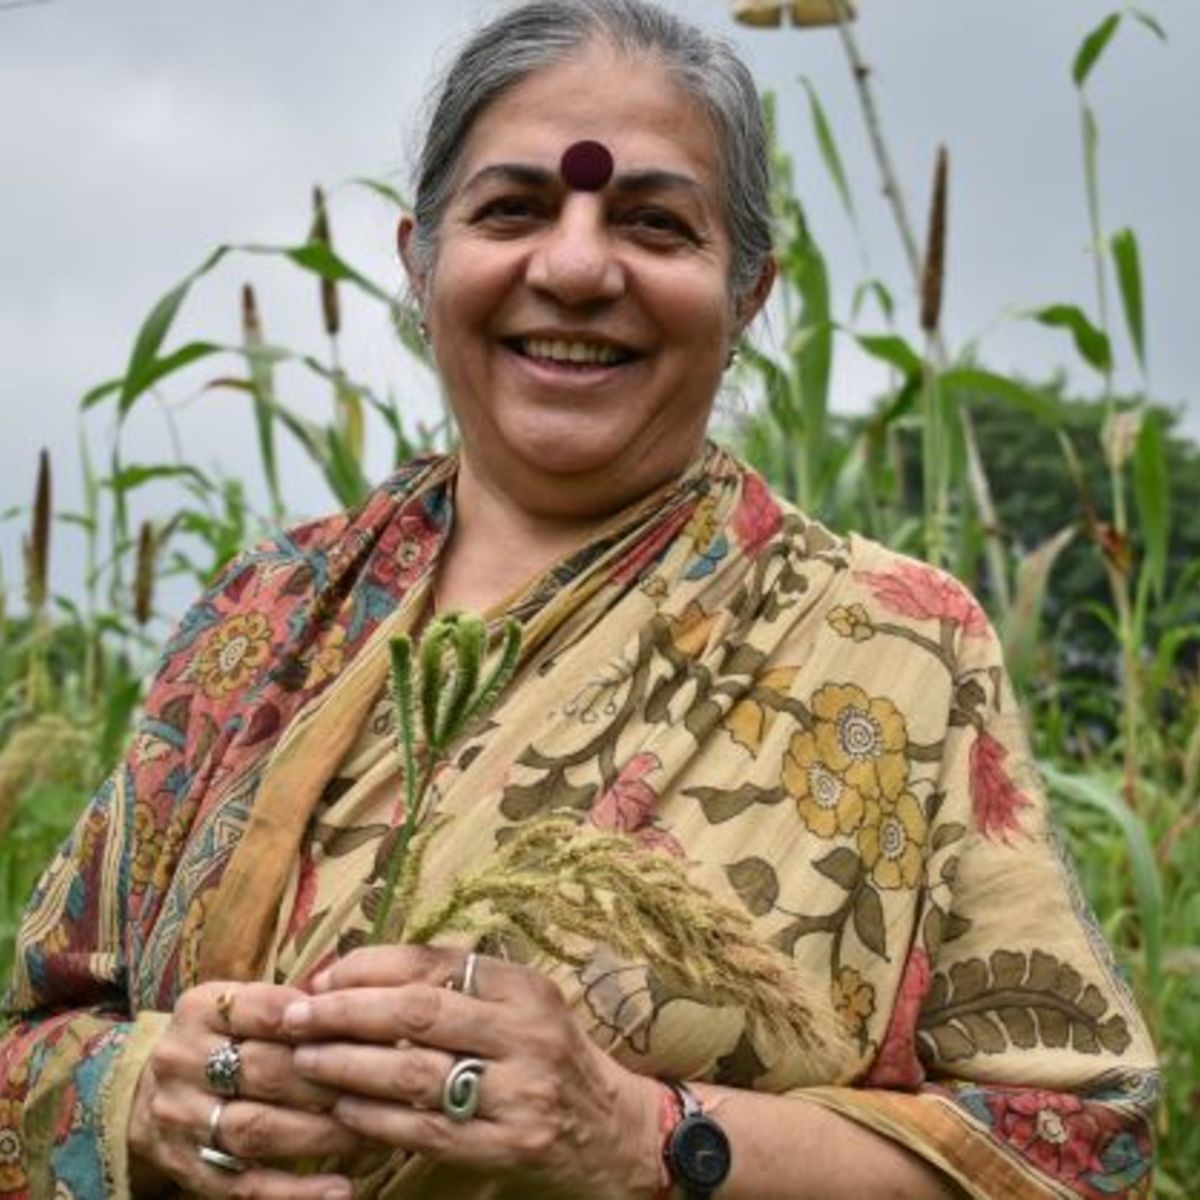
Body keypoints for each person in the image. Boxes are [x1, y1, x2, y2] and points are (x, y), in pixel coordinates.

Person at [0, 1, 1158, 1197]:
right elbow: (30, 1048)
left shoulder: (896, 644)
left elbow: (1074, 1153)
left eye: (656, 224)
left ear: (748, 290)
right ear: (419, 259)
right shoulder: (265, 620)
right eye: (513, 210)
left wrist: (641, 1133)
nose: (574, 267)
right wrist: (139, 1094)